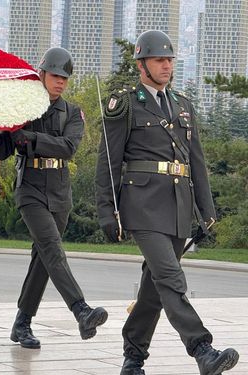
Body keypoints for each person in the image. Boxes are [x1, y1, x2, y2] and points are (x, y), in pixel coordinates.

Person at [96, 30, 239, 375]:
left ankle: (133, 356)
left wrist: (207, 209)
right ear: (142, 64)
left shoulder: (183, 105)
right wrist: (107, 210)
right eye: (160, 60)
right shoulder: (125, 103)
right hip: (141, 204)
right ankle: (201, 348)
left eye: (170, 60)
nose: (166, 66)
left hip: (178, 207)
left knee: (154, 287)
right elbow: (109, 160)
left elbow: (196, 162)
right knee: (171, 276)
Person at [0, 47, 108, 349]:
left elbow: (67, 147)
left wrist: (31, 138)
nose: (60, 82)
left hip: (59, 192)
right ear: (41, 74)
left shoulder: (71, 113)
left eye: (65, 78)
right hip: (30, 188)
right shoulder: (22, 109)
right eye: (55, 76)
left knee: (43, 258)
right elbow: (3, 151)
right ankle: (81, 310)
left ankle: (21, 325)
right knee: (52, 249)